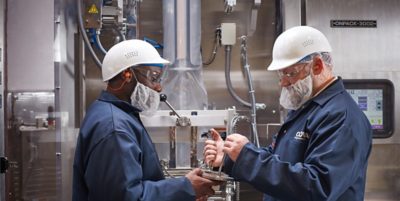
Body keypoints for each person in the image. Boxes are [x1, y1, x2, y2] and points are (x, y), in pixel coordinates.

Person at [204, 26, 372, 201]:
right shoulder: (306, 109)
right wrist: (231, 158)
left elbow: (318, 187)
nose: (283, 83)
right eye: (280, 74)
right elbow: (280, 159)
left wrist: (248, 157)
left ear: (317, 66)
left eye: (290, 73)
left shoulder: (341, 117)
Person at [73, 39, 217, 201]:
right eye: (153, 77)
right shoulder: (114, 128)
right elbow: (125, 197)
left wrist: (184, 186)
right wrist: (185, 187)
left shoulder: (117, 115)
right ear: (127, 75)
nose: (158, 87)